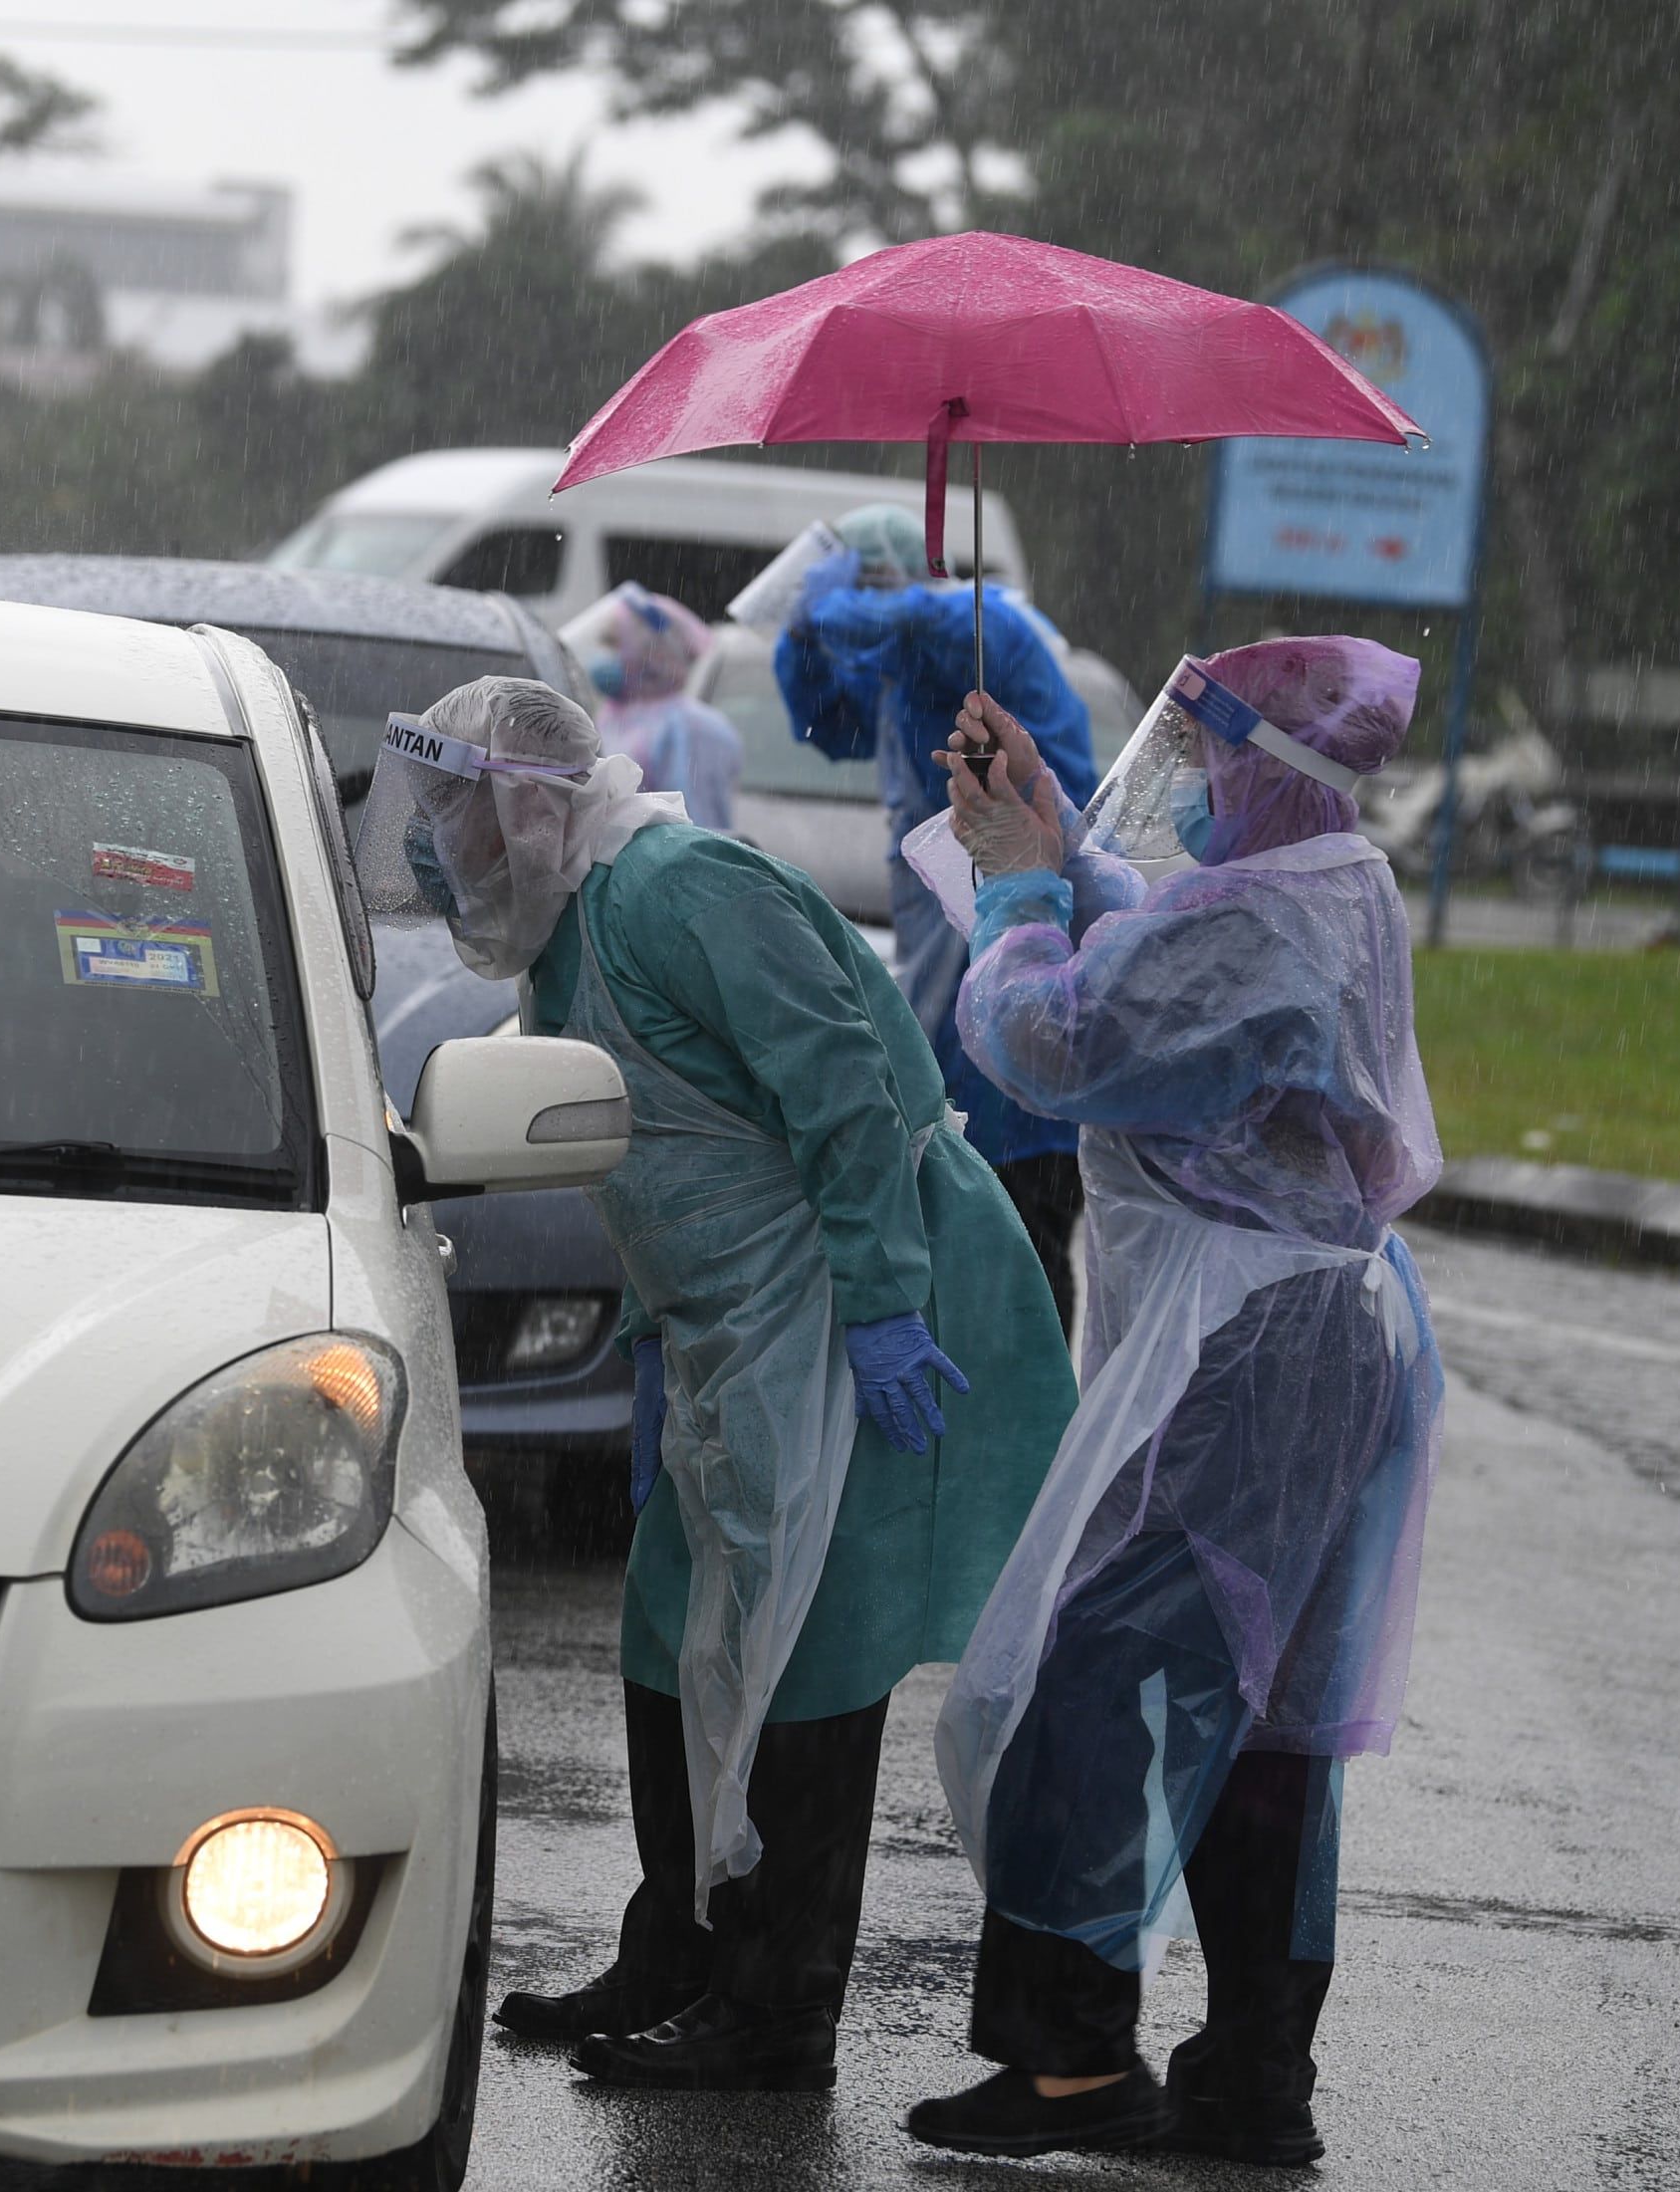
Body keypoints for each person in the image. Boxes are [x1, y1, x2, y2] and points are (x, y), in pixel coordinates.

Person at [367, 678, 1075, 2092]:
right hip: (729, 1320)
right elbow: (660, 1151)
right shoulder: (571, 928)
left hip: (849, 1294)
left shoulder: (683, 890)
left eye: (455, 809)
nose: (435, 845)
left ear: (529, 806)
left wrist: (884, 1305)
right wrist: (648, 1335)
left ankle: (776, 2009)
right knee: (671, 1628)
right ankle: (679, 1949)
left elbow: (841, 1088)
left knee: (812, 1644)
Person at [903, 639, 1448, 2166]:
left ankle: (1070, 2059)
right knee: (1258, 1712)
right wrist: (1053, 842)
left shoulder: (1264, 915)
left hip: (1239, 1347)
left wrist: (1017, 892)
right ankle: (1253, 2077)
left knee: (1087, 1672)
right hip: (1311, 1333)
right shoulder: (1325, 879)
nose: (1190, 785)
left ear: (1268, 769)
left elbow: (1059, 1039)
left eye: (1208, 759)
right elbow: (1163, 960)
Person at [772, 506, 1098, 1328]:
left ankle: (1030, 1395)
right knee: (969, 1227)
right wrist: (800, 636)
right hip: (955, 925)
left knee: (1021, 1235)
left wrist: (827, 604)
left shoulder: (975, 629)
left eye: (861, 582)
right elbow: (825, 721)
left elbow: (908, 617)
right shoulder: (912, 662)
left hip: (1013, 904)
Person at [561, 582, 745, 830]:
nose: (602, 655)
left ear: (652, 653)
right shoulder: (614, 712)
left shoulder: (692, 727)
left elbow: (697, 829)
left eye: (613, 644)